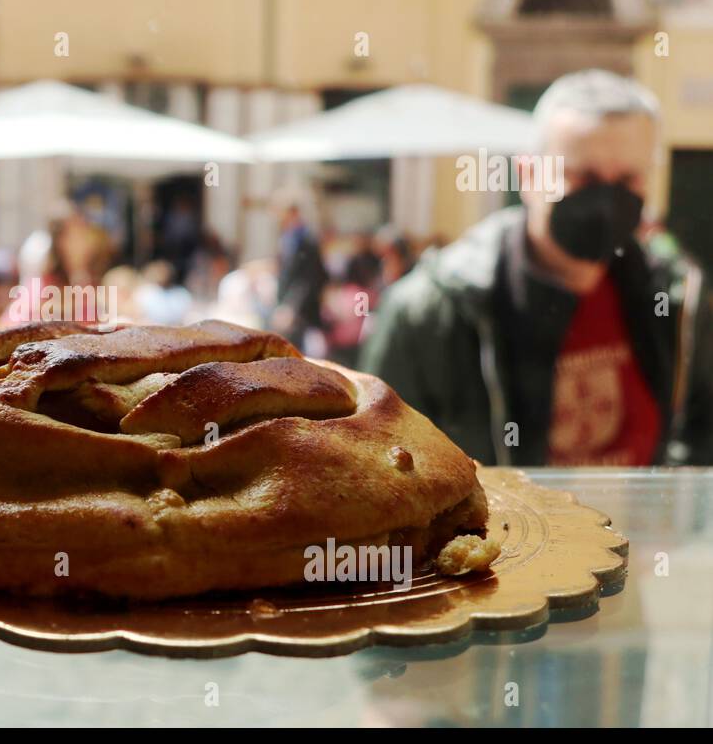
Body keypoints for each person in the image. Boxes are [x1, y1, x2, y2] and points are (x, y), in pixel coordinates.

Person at [360, 70, 713, 466]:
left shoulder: (676, 296)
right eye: (584, 176)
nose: (606, 199)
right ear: (529, 176)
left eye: (628, 178)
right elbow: (379, 460)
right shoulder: (431, 311)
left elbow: (700, 434)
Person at [273, 205, 329, 353]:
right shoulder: (288, 237)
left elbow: (309, 278)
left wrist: (291, 306)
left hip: (303, 311)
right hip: (290, 306)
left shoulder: (306, 240)